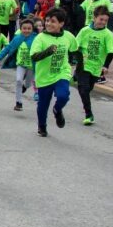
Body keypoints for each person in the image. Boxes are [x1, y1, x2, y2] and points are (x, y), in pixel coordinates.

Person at [30, 8, 78, 137]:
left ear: (61, 24)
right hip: (44, 76)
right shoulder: (40, 38)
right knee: (43, 104)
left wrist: (79, 68)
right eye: (47, 20)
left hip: (62, 72)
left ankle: (57, 110)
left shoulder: (68, 36)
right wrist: (48, 51)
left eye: (53, 21)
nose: (48, 24)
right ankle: (42, 127)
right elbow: (34, 57)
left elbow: (76, 50)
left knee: (63, 96)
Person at [75, 6, 113, 125]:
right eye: (101, 19)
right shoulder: (85, 31)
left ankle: (77, 79)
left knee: (88, 89)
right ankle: (89, 115)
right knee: (83, 89)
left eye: (105, 20)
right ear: (94, 18)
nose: (103, 22)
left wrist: (106, 66)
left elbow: (111, 51)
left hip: (97, 67)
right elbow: (75, 46)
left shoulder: (108, 34)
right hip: (84, 65)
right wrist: (79, 59)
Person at [0, 19, 37, 112]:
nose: (26, 30)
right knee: (18, 80)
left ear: (32, 29)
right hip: (21, 64)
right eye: (24, 28)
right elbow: (8, 47)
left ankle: (25, 87)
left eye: (29, 28)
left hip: (31, 66)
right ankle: (18, 103)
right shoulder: (17, 38)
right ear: (20, 29)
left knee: (28, 84)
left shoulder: (36, 38)